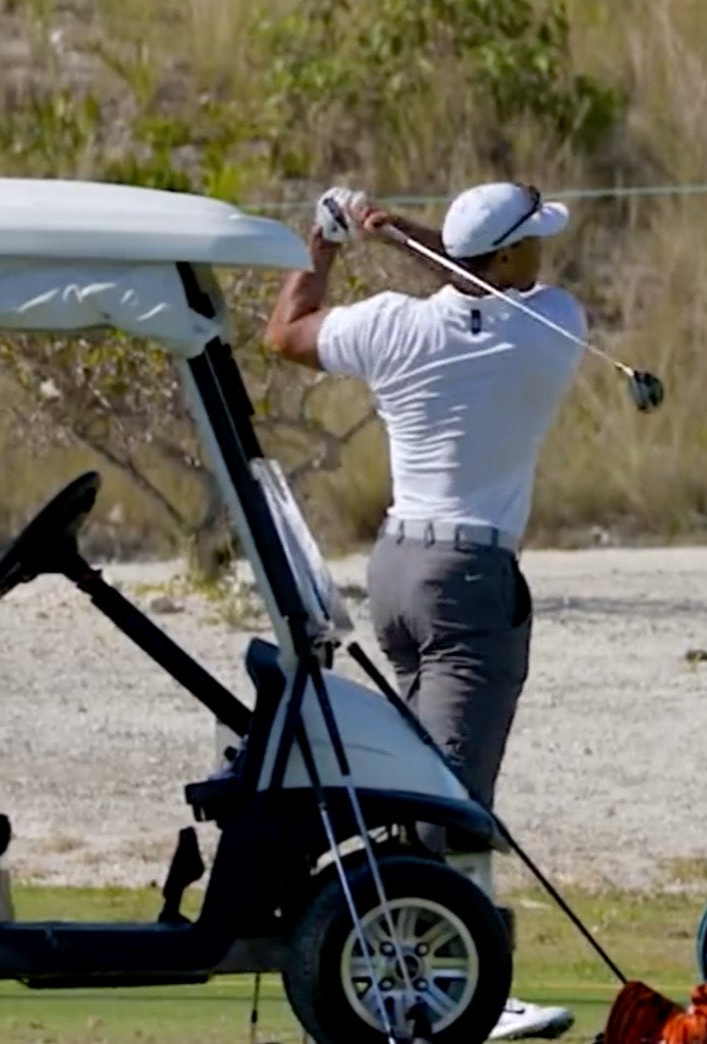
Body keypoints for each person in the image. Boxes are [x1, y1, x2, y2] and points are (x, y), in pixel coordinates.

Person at [261, 182, 586, 1042]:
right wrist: (407, 233)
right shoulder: (553, 325)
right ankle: (465, 991)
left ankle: (404, 968)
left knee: (416, 785)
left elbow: (285, 332)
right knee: (452, 800)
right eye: (532, 242)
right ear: (512, 257)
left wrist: (325, 244)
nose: (543, 255)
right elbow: (478, 280)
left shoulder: (391, 324)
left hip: (395, 573)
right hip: (470, 580)